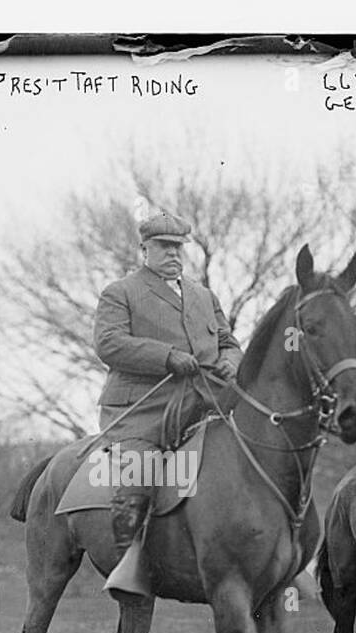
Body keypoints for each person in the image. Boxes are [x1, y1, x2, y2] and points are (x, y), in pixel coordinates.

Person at [92, 212, 243, 597]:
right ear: (145, 250)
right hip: (145, 410)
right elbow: (108, 344)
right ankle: (130, 567)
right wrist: (166, 356)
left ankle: (279, 560)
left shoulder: (204, 296)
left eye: (178, 247)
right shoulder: (121, 292)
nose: (173, 254)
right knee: (138, 474)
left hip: (206, 404)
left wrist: (229, 360)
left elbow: (228, 341)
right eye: (164, 247)